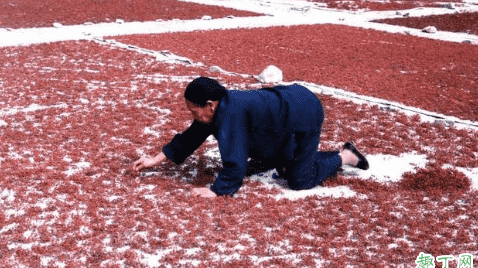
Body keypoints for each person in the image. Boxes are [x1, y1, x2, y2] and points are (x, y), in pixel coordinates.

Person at [133, 77, 369, 198]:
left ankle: (346, 156)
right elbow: (192, 135)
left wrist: (218, 190)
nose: (194, 117)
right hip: (283, 112)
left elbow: (234, 158)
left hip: (304, 112)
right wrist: (156, 159)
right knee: (276, 160)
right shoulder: (218, 107)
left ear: (210, 105)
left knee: (299, 179)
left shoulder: (230, 114)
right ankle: (296, 157)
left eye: (195, 112)